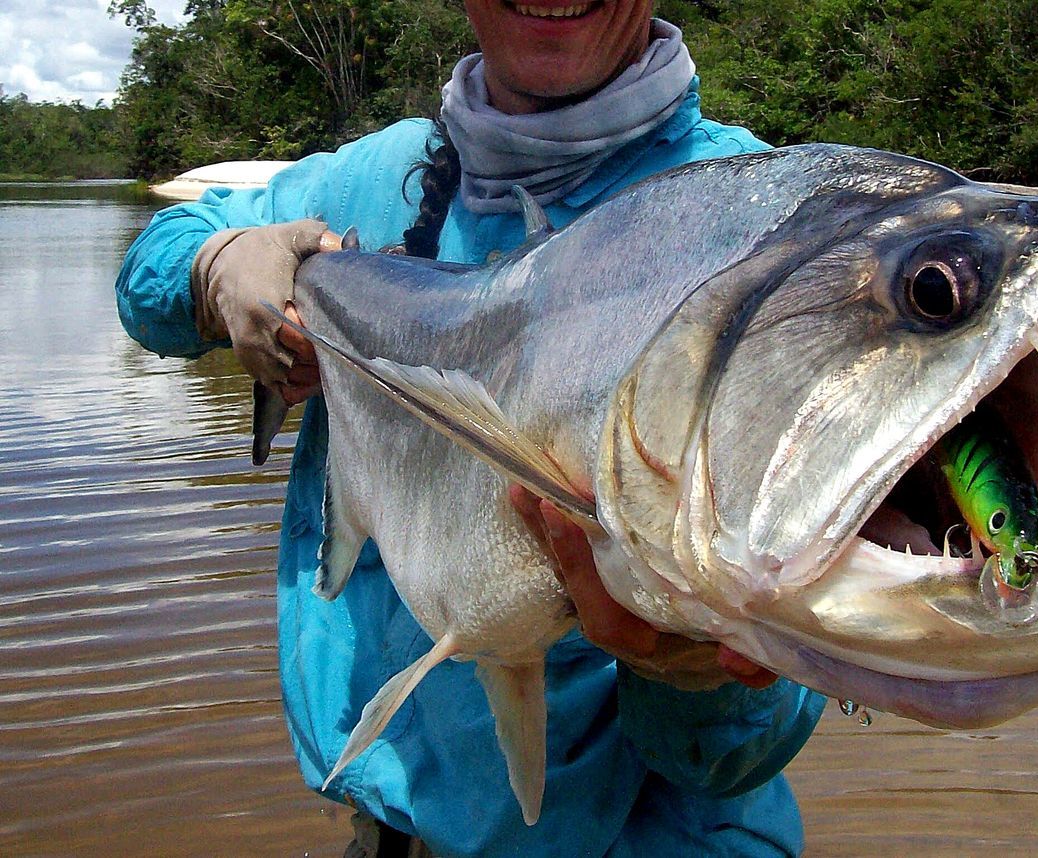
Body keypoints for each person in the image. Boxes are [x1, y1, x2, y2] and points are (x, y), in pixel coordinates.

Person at [116, 2, 827, 854]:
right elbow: (151, 272)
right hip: (387, 831)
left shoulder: (779, 222)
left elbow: (740, 751)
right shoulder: (374, 179)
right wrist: (216, 268)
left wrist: (705, 671)